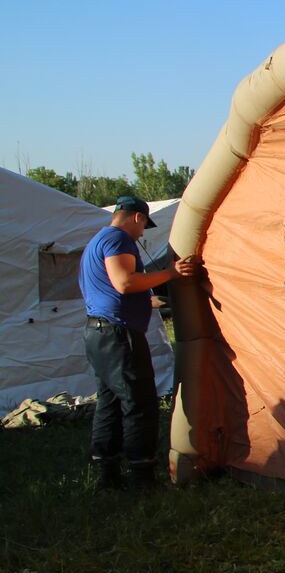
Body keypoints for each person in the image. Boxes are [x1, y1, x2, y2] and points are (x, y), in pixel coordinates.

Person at [79, 196, 197, 490]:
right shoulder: (118, 239)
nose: (143, 232)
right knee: (140, 402)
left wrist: (147, 300)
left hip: (97, 332)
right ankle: (141, 476)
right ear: (136, 217)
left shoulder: (97, 241)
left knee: (110, 402)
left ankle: (106, 473)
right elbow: (124, 282)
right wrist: (170, 273)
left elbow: (113, 288)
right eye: (144, 224)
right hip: (118, 336)